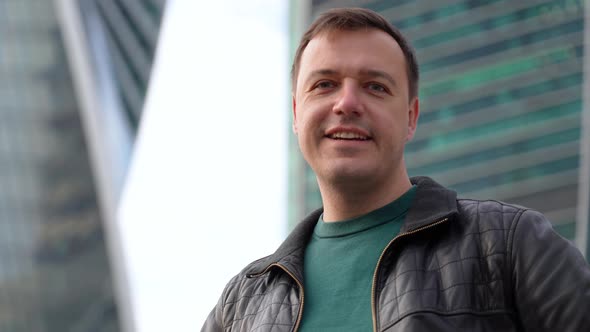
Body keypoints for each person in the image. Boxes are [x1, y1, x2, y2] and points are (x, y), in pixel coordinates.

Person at [202, 7, 590, 332]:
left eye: (375, 87)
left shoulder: (510, 244)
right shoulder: (242, 303)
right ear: (295, 114)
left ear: (411, 118)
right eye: (324, 84)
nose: (347, 103)